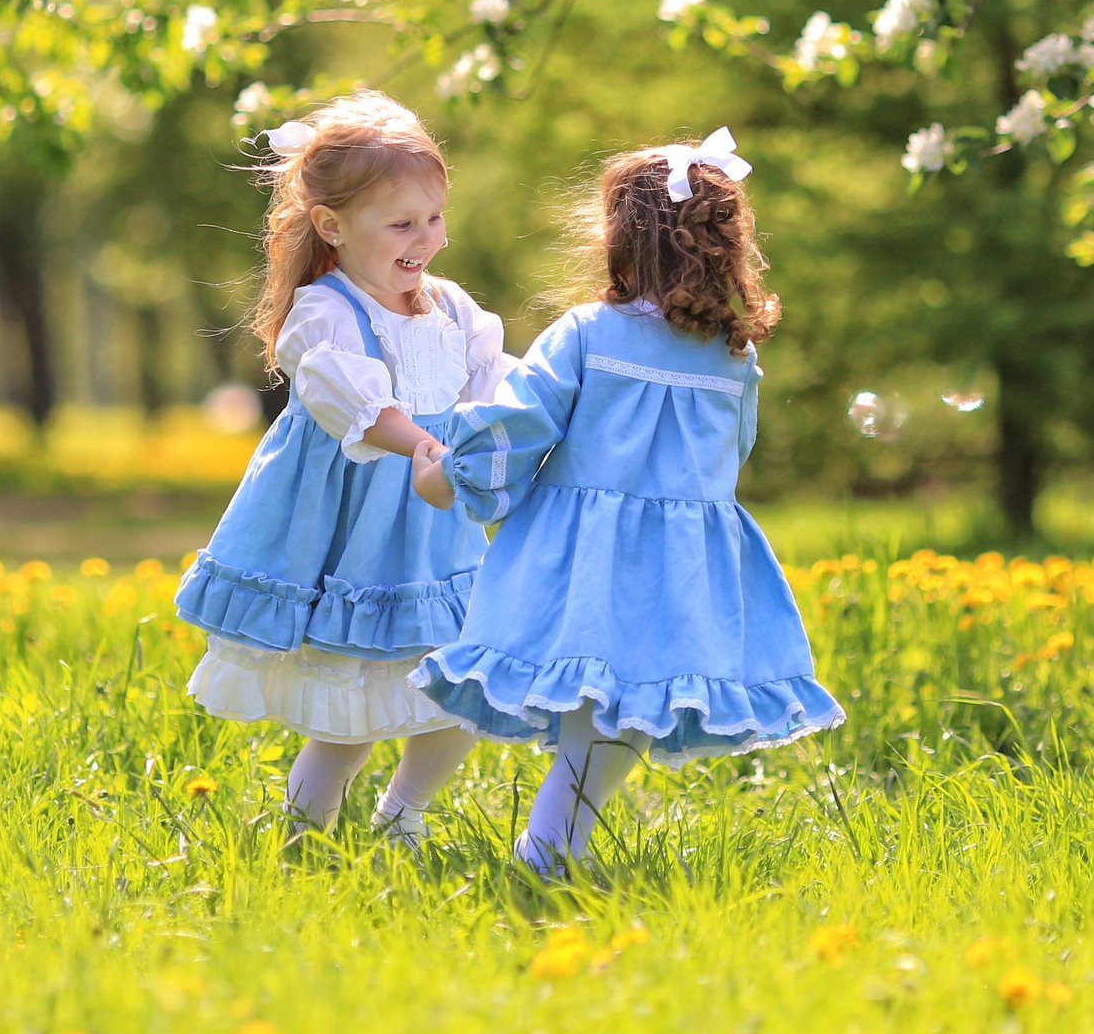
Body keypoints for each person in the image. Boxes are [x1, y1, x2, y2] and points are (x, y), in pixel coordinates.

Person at [411, 129, 843, 872]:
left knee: (591, 694)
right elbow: (730, 456)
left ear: (622, 241)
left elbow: (521, 423)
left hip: (579, 550)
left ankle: (545, 849)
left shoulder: (586, 331)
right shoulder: (736, 356)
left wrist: (450, 472)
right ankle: (550, 846)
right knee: (630, 706)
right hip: (685, 561)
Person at [174, 91, 513, 842]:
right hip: (351, 531)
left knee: (468, 682)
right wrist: (420, 443)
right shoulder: (326, 311)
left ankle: (405, 813)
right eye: (401, 223)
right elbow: (348, 398)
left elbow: (495, 387)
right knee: (349, 712)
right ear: (333, 225)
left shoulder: (454, 310)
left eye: (433, 216)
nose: (424, 237)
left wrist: (504, 434)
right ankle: (306, 836)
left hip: (435, 530)